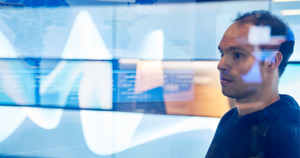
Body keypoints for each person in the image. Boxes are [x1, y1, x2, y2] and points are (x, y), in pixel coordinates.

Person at [205, 10, 300, 158]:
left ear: (272, 61)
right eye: (222, 54)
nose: (221, 64)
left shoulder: (289, 132)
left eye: (237, 55)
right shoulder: (229, 118)